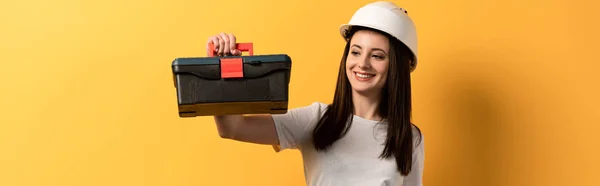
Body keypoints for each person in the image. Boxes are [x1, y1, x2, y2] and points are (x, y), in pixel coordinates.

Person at [208, 1, 424, 185]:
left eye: (377, 56)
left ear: (397, 67)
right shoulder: (316, 119)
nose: (362, 64)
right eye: (356, 52)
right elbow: (232, 128)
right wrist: (223, 71)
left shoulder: (410, 138)